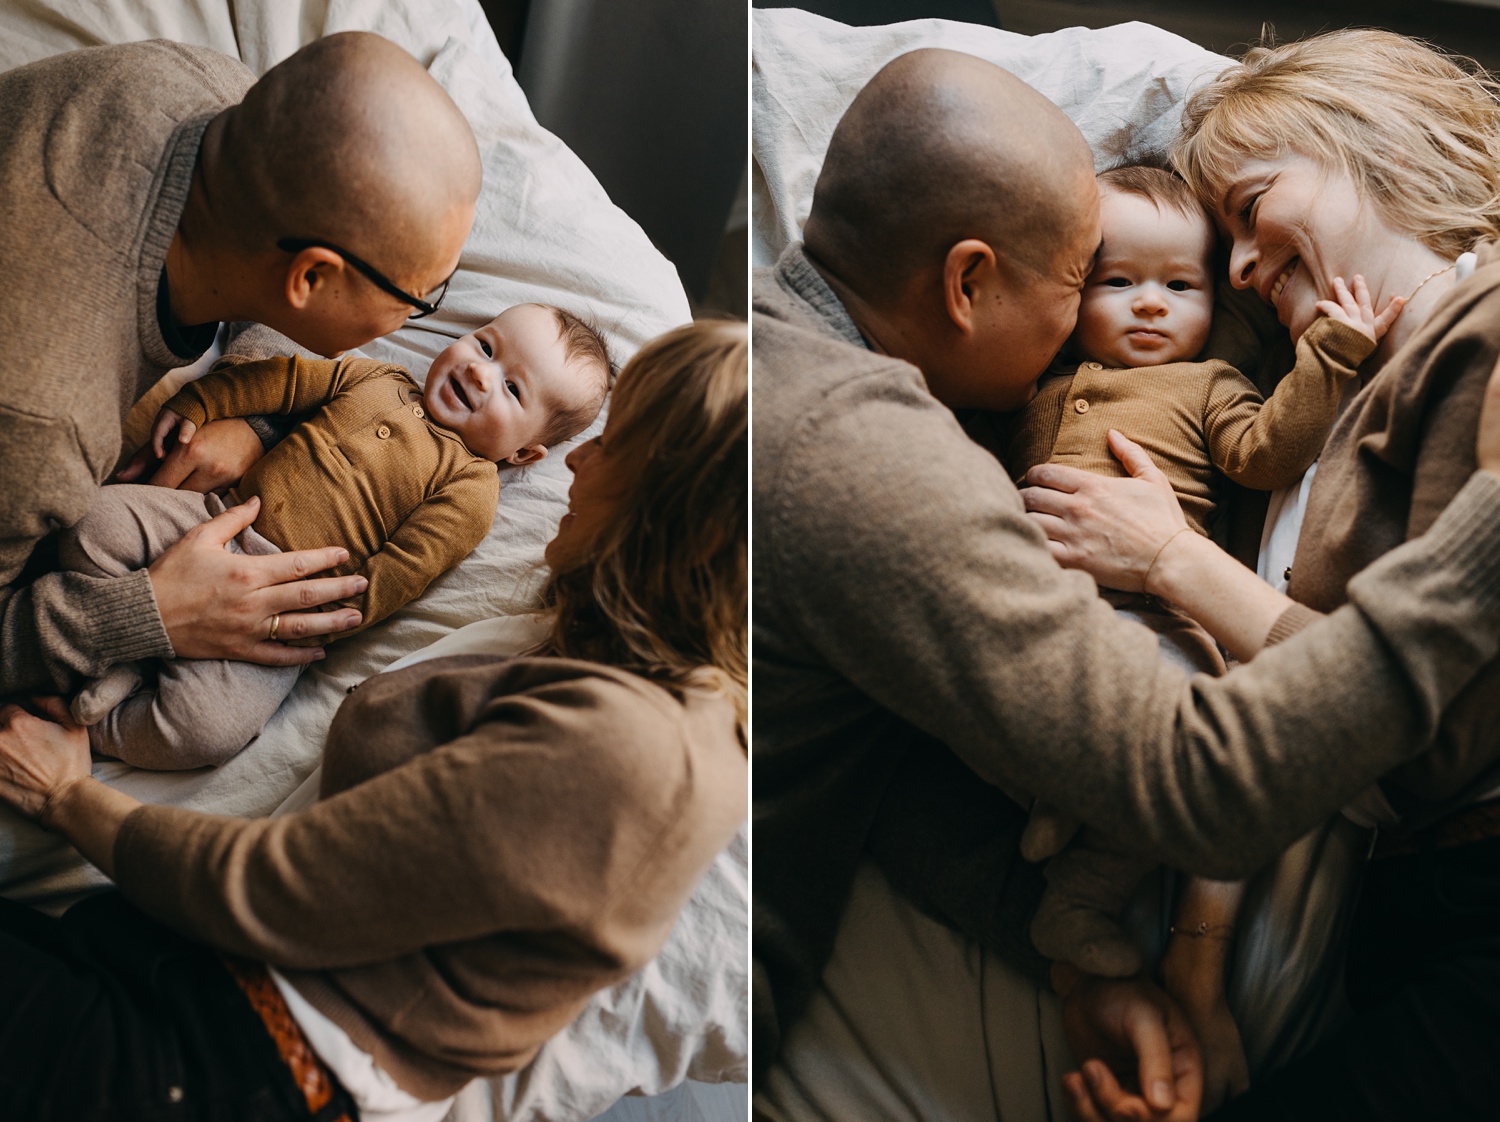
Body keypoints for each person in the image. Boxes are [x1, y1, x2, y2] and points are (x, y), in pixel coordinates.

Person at [751, 44, 1500, 1121]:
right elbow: (1196, 778)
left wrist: (1087, 968)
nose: (1097, 331)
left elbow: (878, 768)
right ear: (968, 281)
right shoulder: (864, 454)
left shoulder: (785, 378)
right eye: (1081, 285)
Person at [0, 318, 747, 1122]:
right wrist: (250, 423)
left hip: (234, 1056)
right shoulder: (600, 658)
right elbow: (293, 364)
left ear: (681, 522)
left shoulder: (640, 749)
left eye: (617, 447)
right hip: (180, 970)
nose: (583, 462)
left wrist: (68, 798)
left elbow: (280, 890)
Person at [1020, 29, 1500, 1121]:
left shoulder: (1483, 322)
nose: (1236, 270)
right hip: (1404, 903)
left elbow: (1431, 733)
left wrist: (1170, 560)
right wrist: (1198, 968)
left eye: (1253, 207)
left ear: (1368, 142)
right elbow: (1268, 706)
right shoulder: (1321, 394)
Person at [0, 30, 482, 699]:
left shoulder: (209, 92)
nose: (420, 315)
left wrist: (254, 414)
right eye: (419, 297)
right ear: (312, 278)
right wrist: (148, 614)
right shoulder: (43, 418)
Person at [1012, 164, 1398, 983]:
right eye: (1119, 282)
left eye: (1180, 286)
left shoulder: (1209, 384)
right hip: (1028, 602)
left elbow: (1266, 455)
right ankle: (1058, 788)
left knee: (1191, 740)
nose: (1151, 303)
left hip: (1152, 616)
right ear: (1072, 292)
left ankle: (1078, 895)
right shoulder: (1033, 385)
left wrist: (1329, 356)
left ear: (1215, 306)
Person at [61, 303, 613, 769]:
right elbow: (284, 381)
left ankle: (95, 721)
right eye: (486, 348)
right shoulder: (378, 379)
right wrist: (201, 403)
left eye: (512, 388)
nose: (479, 374)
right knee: (91, 523)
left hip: (276, 606)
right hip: (213, 516)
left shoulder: (470, 488)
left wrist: (298, 624)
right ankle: (128, 651)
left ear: (523, 455)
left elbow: (396, 575)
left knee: (205, 730)